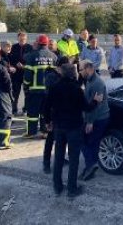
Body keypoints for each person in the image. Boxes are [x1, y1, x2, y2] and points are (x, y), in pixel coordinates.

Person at [43, 63, 103, 197]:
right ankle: (72, 189)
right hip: (74, 128)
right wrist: (95, 101)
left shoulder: (54, 87)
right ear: (72, 74)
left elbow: (46, 107)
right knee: (74, 158)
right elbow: (87, 108)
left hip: (59, 127)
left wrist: (48, 122)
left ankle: (57, 186)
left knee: (58, 157)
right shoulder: (77, 89)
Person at [79, 60, 110, 182]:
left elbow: (98, 105)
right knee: (90, 143)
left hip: (98, 118)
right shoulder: (90, 81)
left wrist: (90, 122)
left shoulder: (97, 83)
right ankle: (91, 165)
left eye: (81, 70)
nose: (79, 73)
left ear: (88, 69)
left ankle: (91, 165)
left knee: (86, 142)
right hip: (92, 117)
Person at [23, 35, 57, 138]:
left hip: (35, 90)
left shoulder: (32, 56)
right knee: (45, 112)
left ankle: (31, 133)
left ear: (38, 43)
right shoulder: (53, 56)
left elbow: (28, 74)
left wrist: (26, 85)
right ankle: (45, 132)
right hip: (48, 91)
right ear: (47, 44)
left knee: (32, 112)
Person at [41, 55, 70, 174]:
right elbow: (49, 99)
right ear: (62, 66)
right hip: (53, 113)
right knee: (51, 138)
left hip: (61, 112)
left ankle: (61, 159)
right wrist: (48, 120)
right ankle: (46, 163)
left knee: (61, 139)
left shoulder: (61, 76)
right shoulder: (51, 77)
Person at [9, 32, 33, 116]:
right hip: (16, 74)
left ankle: (25, 109)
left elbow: (32, 61)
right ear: (18, 39)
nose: (22, 41)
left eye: (23, 39)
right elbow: (10, 59)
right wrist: (15, 65)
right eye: (20, 39)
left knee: (27, 92)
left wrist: (25, 66)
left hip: (27, 73)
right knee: (15, 92)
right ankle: (14, 109)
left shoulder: (30, 48)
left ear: (26, 39)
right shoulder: (14, 47)